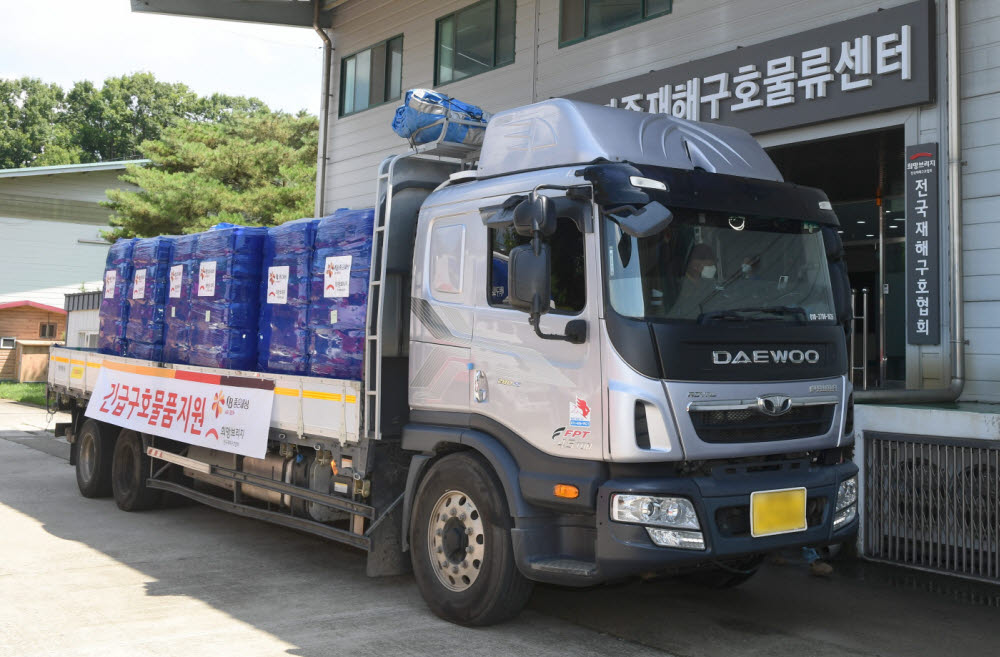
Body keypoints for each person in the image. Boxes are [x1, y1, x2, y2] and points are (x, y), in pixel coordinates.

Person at [666, 243, 719, 318]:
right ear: (696, 266)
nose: (713, 268)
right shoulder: (679, 284)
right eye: (708, 265)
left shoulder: (709, 283)